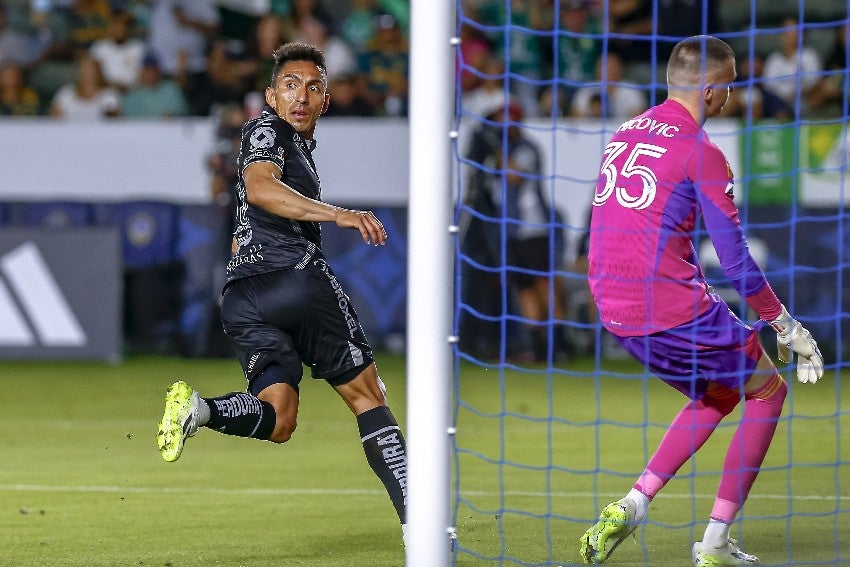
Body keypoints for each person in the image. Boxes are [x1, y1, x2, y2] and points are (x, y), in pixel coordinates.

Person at [579, 35, 824, 566]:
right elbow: (735, 260)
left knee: (717, 393)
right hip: (669, 308)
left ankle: (634, 503)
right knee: (767, 392)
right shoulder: (700, 151)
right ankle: (715, 543)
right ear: (712, 89)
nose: (730, 96)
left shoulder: (625, 132)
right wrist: (785, 325)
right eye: (729, 86)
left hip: (615, 311)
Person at [156, 42, 409, 546]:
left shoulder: (291, 152)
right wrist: (339, 214)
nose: (300, 96)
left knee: (279, 419)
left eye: (312, 87)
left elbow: (244, 221)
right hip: (294, 280)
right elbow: (258, 189)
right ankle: (417, 525)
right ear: (271, 96)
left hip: (244, 296)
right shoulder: (266, 131)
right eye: (290, 86)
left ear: (325, 101)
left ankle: (199, 411)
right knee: (367, 397)